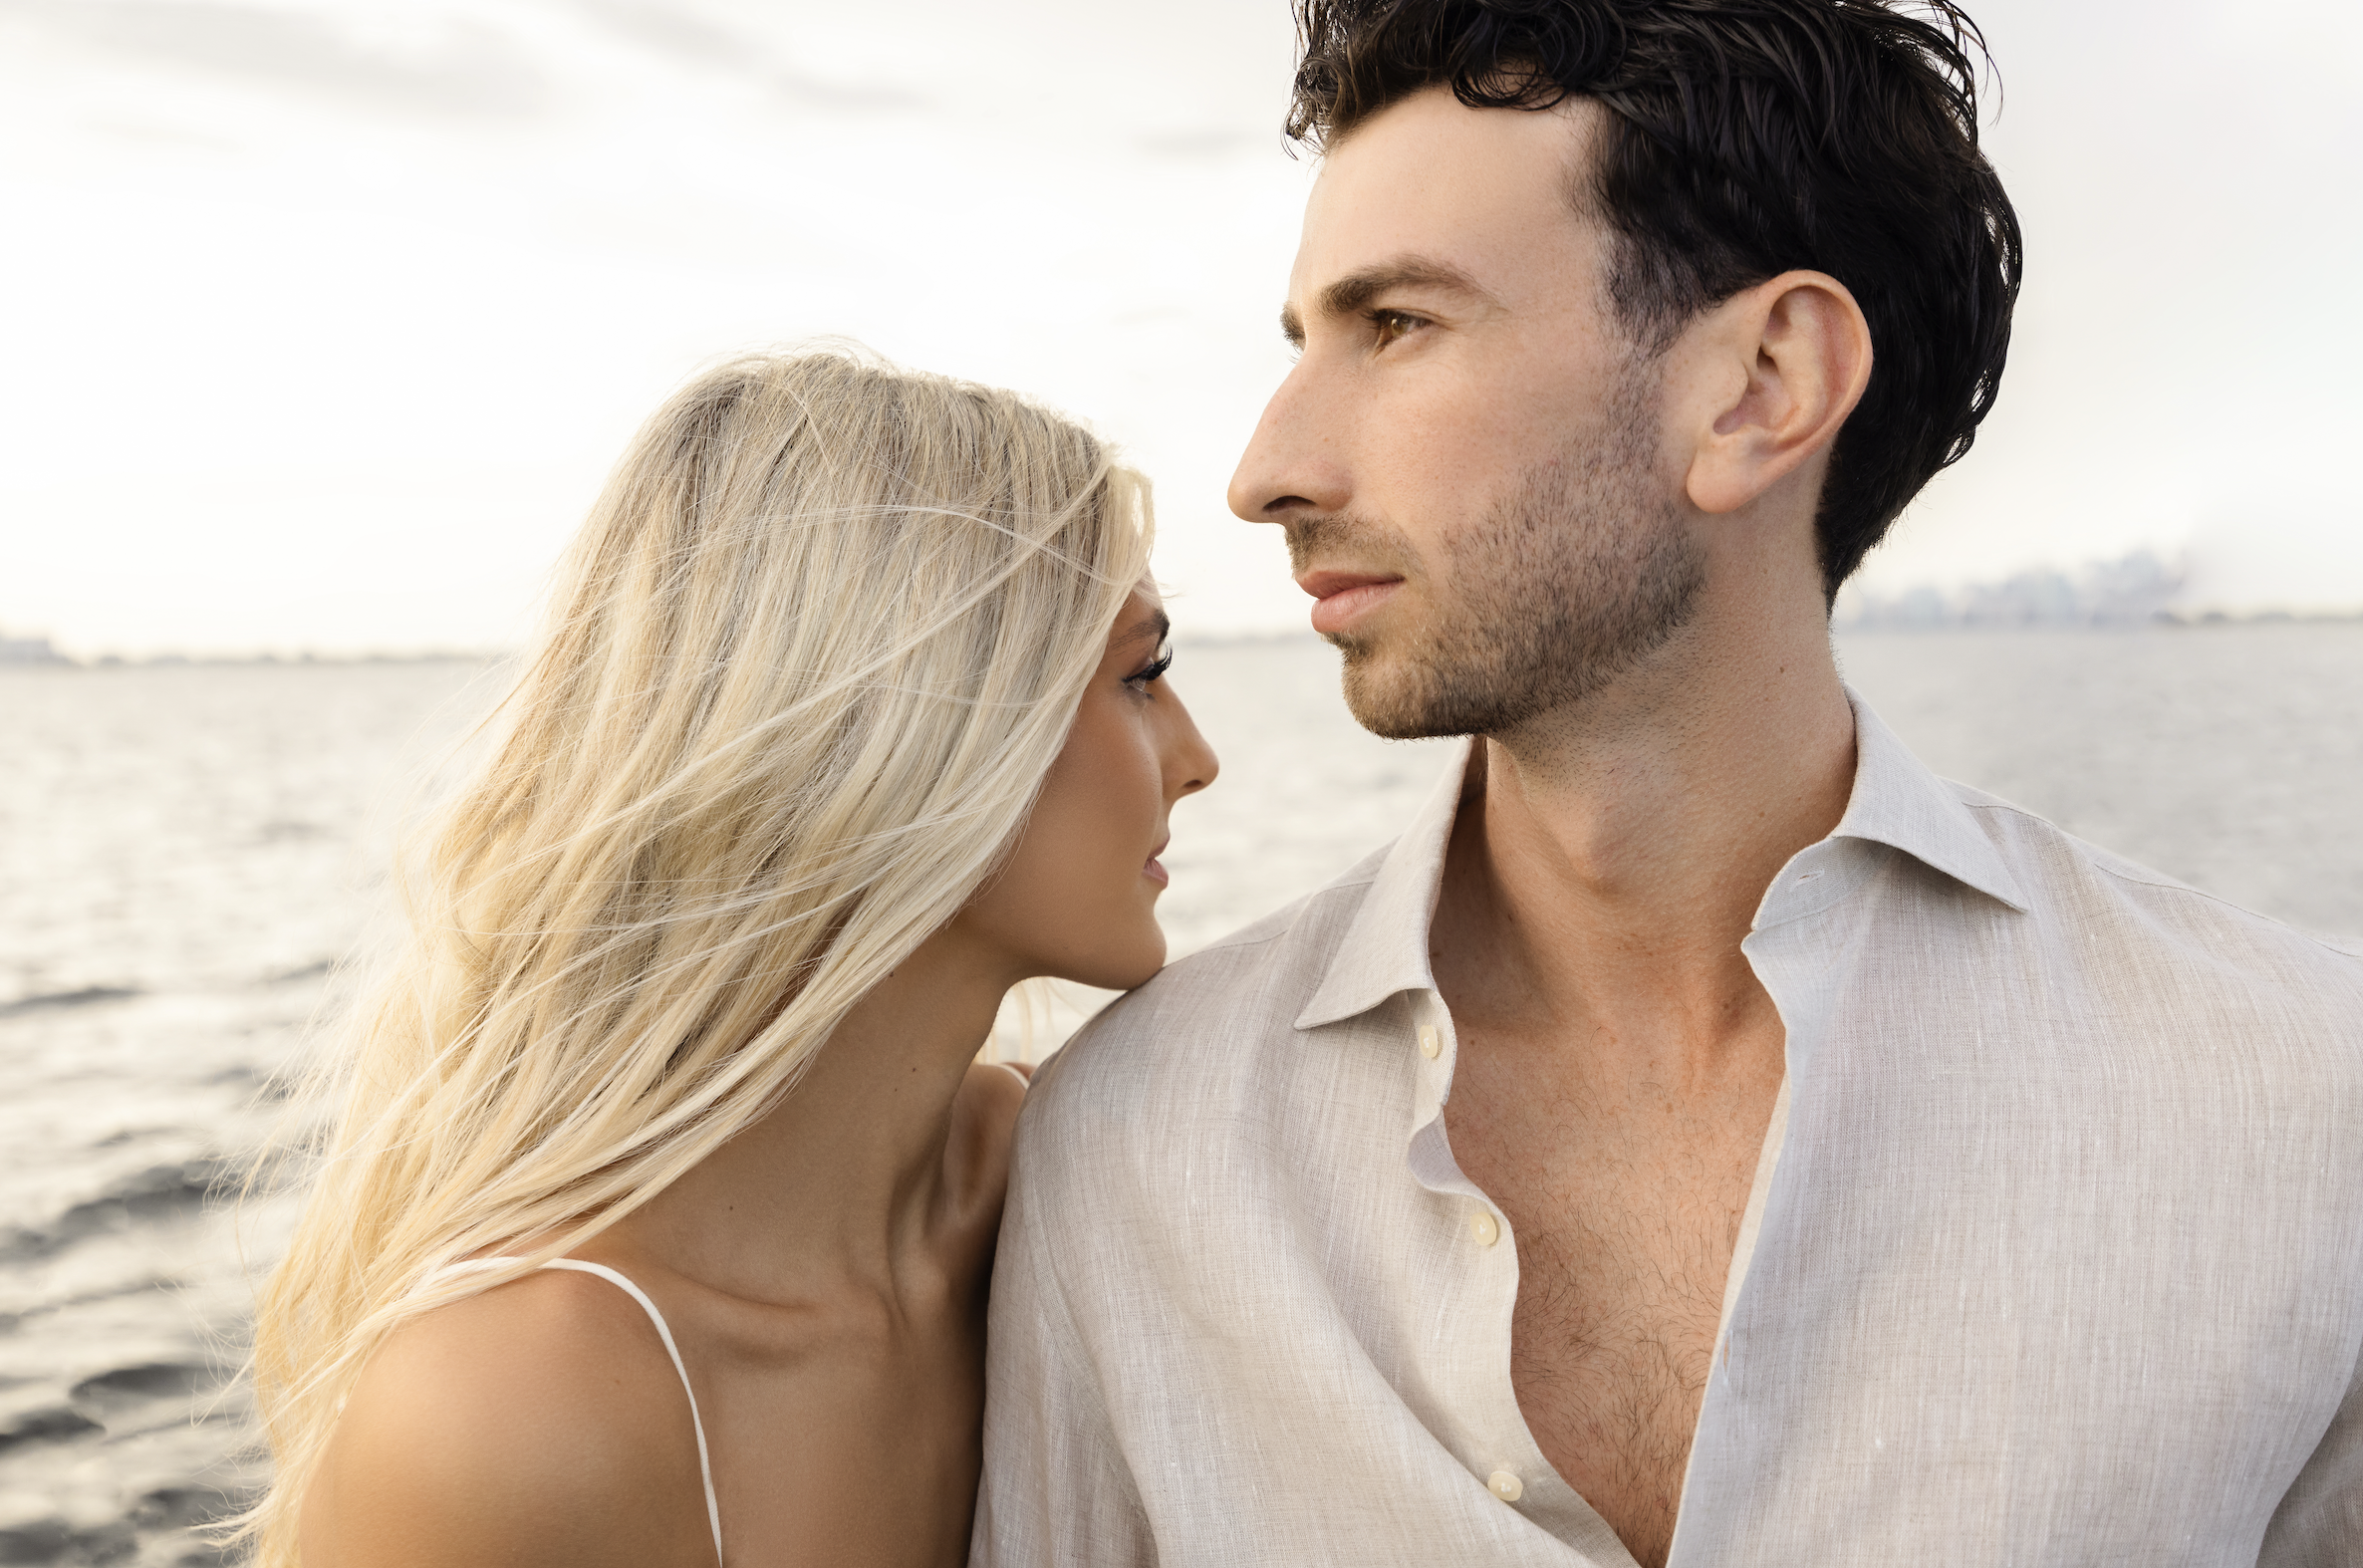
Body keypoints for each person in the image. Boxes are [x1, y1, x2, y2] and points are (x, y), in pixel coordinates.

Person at [976, 3, 2363, 1564]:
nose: (1266, 470)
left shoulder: (2308, 1111)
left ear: (1764, 383)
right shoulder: (1135, 1149)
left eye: (1399, 326)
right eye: (1304, 342)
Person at [238, 349, 1217, 1568]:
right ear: (919, 722)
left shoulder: (1057, 1175)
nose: (1196, 755)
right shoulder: (513, 1410)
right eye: (1141, 674)